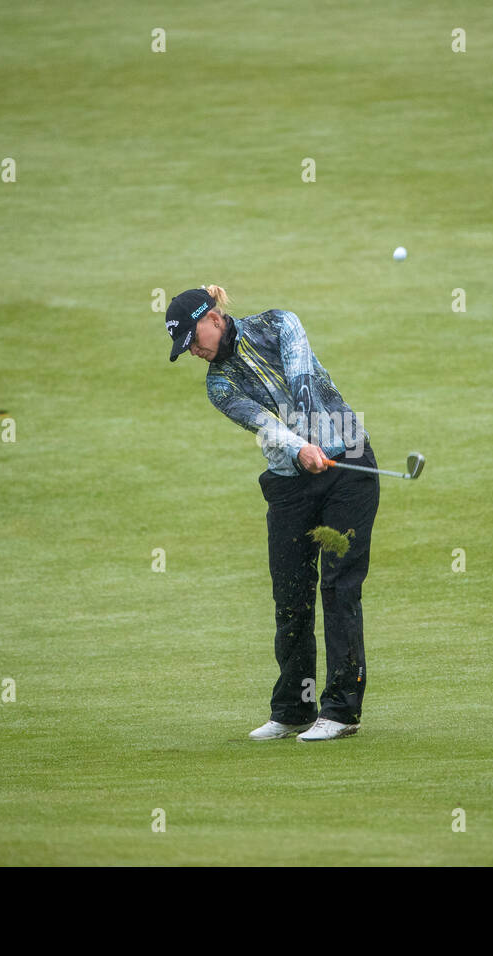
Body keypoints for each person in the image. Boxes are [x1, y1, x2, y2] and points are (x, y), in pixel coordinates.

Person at [165, 285, 380, 741]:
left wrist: (312, 438)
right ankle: (293, 709)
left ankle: (341, 711)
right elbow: (264, 423)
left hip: (348, 467)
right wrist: (300, 447)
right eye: (185, 349)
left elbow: (302, 382)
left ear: (214, 318)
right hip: (289, 483)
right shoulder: (218, 386)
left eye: (193, 340)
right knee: (290, 594)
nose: (194, 352)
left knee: (339, 588)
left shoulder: (279, 323)